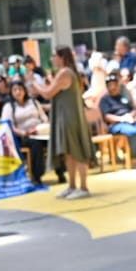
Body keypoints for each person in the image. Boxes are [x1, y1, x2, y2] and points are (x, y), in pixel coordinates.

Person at [31, 46, 93, 199]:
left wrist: (35, 85)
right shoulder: (68, 72)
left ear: (62, 57)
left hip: (69, 118)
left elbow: (47, 94)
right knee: (69, 153)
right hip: (66, 116)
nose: (52, 59)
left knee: (77, 152)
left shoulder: (65, 72)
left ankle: (83, 187)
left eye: (54, 56)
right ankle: (72, 186)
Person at [99, 72, 136, 167]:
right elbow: (107, 116)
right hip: (116, 124)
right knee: (133, 132)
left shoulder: (123, 96)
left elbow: (133, 109)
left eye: (114, 84)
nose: (113, 87)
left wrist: (130, 116)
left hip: (130, 120)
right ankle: (133, 158)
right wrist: (122, 119)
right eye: (110, 85)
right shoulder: (105, 100)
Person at [4, 80, 49, 183]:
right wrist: (25, 132)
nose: (18, 92)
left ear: (24, 90)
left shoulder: (34, 102)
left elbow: (44, 117)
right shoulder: (9, 107)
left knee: (54, 140)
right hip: (23, 136)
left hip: (40, 132)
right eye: (15, 90)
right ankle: (37, 176)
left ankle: (60, 171)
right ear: (11, 92)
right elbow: (9, 126)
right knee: (36, 144)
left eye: (20, 89)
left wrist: (42, 127)